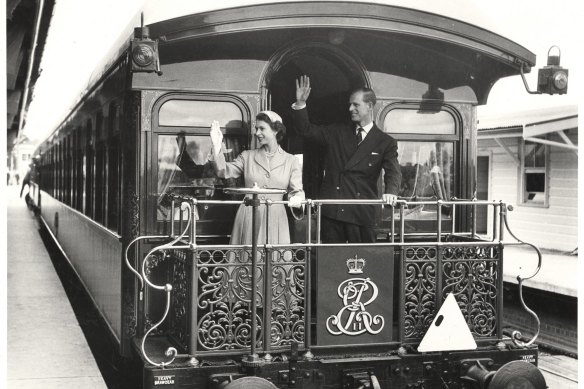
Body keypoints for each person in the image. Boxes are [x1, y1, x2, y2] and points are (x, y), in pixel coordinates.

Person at [292, 75, 401, 243]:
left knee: (361, 263)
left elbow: (393, 171)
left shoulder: (385, 142)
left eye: (356, 104)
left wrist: (391, 193)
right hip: (332, 213)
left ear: (369, 106)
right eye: (350, 104)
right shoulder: (337, 132)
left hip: (361, 214)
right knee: (331, 263)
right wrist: (300, 104)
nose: (350, 108)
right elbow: (306, 130)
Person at [177, 111, 304, 246]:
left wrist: (297, 199)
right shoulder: (247, 156)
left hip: (276, 217)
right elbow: (223, 171)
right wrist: (216, 146)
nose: (257, 133)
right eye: (256, 129)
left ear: (276, 130)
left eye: (262, 128)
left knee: (274, 259)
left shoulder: (291, 161)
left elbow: (297, 191)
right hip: (249, 214)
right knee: (247, 259)